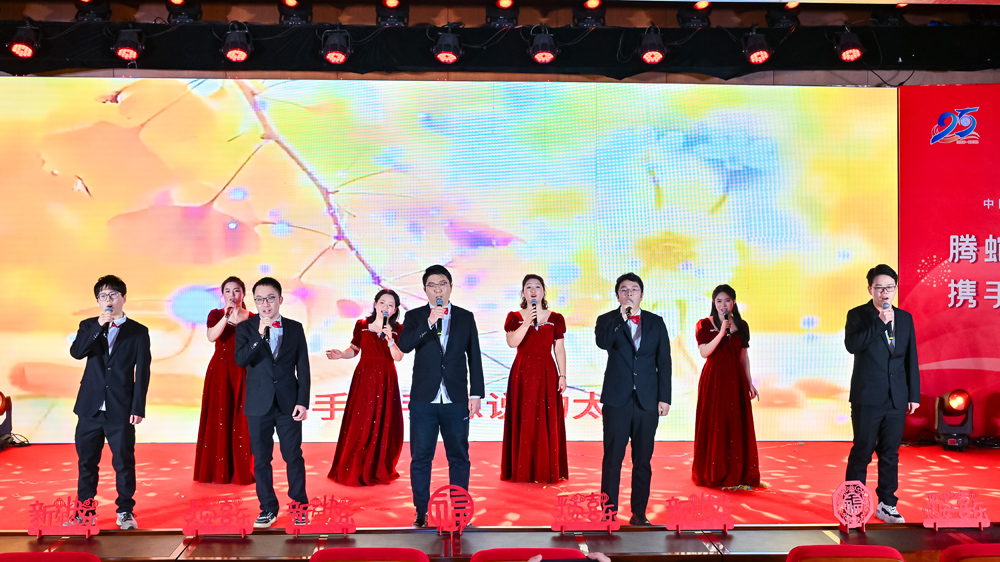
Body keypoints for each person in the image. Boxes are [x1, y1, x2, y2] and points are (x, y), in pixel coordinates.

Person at [397, 265, 485, 528]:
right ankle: (421, 511)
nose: (438, 289)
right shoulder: (414, 316)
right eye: (432, 285)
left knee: (459, 456)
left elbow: (474, 356)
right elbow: (404, 346)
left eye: (443, 284)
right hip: (424, 400)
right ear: (425, 290)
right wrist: (428, 322)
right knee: (421, 457)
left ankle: (460, 510)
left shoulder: (465, 317)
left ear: (451, 287)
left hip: (455, 398)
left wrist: (476, 393)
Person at [68, 275, 151, 530]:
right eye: (103, 296)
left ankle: (125, 511)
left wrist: (138, 407)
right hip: (90, 408)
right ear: (98, 301)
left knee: (124, 462)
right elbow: (76, 352)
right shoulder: (88, 326)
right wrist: (97, 327)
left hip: (121, 408)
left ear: (123, 298)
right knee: (86, 463)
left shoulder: (139, 331)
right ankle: (85, 512)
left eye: (113, 294)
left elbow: (142, 372)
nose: (108, 300)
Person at [844, 264, 920, 524]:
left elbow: (910, 358)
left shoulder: (905, 318)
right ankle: (852, 506)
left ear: (895, 289)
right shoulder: (857, 315)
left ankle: (887, 504)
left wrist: (913, 394)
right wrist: (880, 322)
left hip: (896, 397)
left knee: (890, 453)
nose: (885, 292)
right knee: (862, 452)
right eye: (879, 288)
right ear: (870, 289)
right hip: (867, 397)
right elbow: (852, 345)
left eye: (890, 287)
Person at [594, 272, 671, 526]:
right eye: (624, 290)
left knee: (642, 461)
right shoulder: (607, 320)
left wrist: (664, 398)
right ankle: (608, 514)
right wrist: (622, 317)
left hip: (647, 401)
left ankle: (639, 514)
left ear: (642, 294)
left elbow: (664, 362)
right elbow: (603, 342)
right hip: (617, 400)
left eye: (634, 290)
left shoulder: (656, 322)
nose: (629, 294)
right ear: (617, 295)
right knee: (612, 460)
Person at [234, 277, 311, 528]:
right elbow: (241, 360)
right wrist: (259, 334)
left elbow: (303, 367)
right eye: (259, 299)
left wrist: (302, 401)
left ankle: (299, 506)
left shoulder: (295, 328)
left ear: (280, 299)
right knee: (261, 459)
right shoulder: (245, 328)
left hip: (289, 403)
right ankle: (268, 508)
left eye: (270, 298)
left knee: (293, 456)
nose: (265, 304)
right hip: (258, 404)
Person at [326, 289, 405, 486]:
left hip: (386, 378)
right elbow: (354, 350)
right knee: (360, 421)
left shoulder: (398, 329)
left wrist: (391, 341)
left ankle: (378, 467)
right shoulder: (361, 325)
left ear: (395, 310)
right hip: (365, 376)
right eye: (383, 303)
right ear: (375, 304)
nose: (386, 307)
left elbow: (398, 357)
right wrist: (340, 355)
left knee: (384, 421)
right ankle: (354, 466)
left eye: (391, 305)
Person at [501, 274, 568, 483]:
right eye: (528, 287)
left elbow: (559, 349)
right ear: (523, 292)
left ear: (543, 292)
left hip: (547, 372)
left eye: (537, 287)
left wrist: (563, 375)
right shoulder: (514, 317)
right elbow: (512, 343)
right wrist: (526, 323)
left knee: (546, 419)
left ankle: (545, 469)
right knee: (524, 417)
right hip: (522, 373)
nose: (533, 290)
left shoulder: (555, 318)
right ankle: (521, 469)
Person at [691, 284, 760, 488]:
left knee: (735, 423)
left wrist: (749, 382)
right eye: (719, 301)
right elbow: (704, 352)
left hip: (735, 380)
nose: (723, 305)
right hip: (714, 380)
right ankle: (715, 472)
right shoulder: (704, 324)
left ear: (733, 302)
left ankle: (736, 471)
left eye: (727, 301)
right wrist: (721, 333)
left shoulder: (742, 325)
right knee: (716, 424)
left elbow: (743, 356)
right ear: (714, 303)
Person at [193, 276, 255, 485]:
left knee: (242, 421)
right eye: (227, 291)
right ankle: (216, 471)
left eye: (236, 291)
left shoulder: (253, 318)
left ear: (243, 294)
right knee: (219, 417)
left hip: (244, 373)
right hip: (220, 371)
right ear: (223, 295)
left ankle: (240, 471)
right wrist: (227, 316)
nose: (232, 295)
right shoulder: (216, 314)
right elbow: (212, 337)